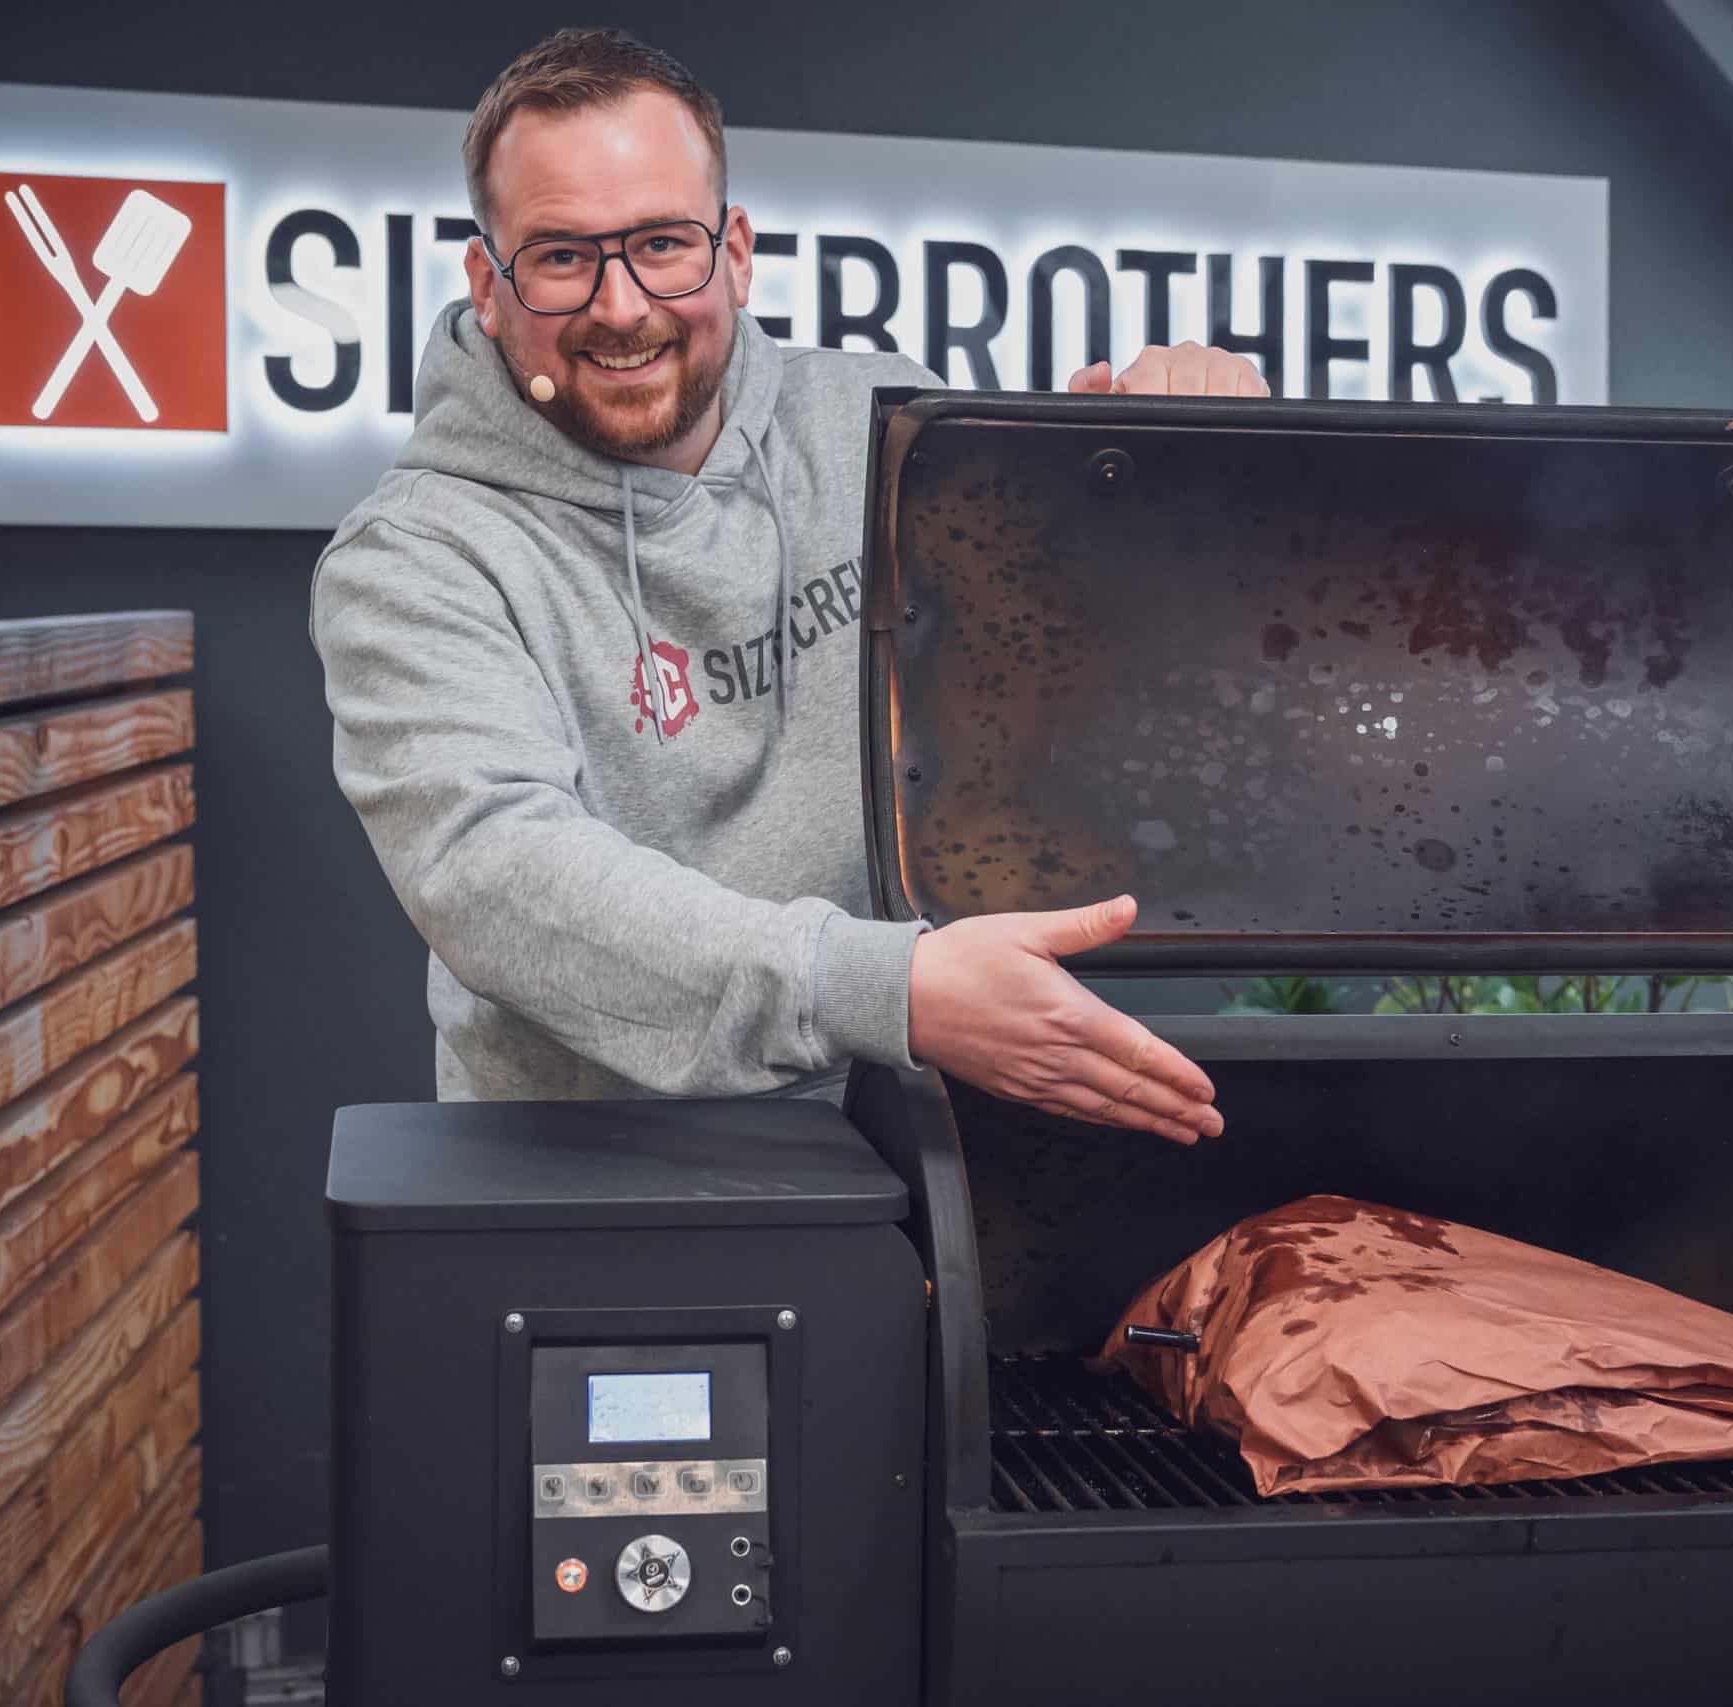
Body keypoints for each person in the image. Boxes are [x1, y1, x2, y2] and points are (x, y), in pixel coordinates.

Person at [311, 28, 1265, 1144]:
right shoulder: (416, 554)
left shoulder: (887, 429)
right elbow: (497, 876)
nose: (621, 308)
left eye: (663, 243)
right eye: (562, 256)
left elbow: (1065, 694)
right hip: (583, 1173)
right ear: (488, 281)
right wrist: (885, 989)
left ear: (736, 251)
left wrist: (1195, 456)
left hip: (905, 1129)